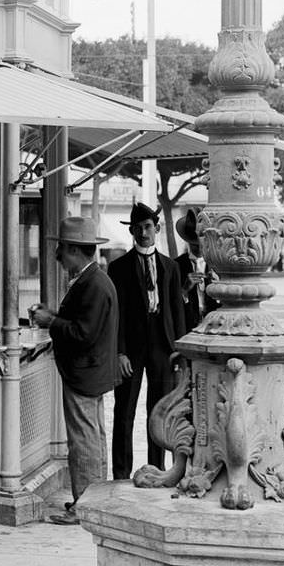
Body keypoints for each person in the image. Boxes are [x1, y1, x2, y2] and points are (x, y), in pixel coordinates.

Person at [30, 217, 118, 525]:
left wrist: (50, 321)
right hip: (91, 371)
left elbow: (83, 334)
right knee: (93, 437)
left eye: (61, 249)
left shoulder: (91, 284)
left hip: (84, 372)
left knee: (83, 441)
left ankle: (85, 504)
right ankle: (96, 500)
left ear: (75, 250)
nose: (57, 255)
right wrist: (53, 316)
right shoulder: (94, 279)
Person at [107, 201, 185, 480]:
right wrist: (119, 353)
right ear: (132, 232)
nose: (143, 233)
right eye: (137, 228)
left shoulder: (170, 267)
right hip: (131, 349)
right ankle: (120, 475)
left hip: (163, 348)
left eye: (147, 227)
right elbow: (115, 316)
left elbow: (177, 312)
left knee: (160, 411)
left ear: (157, 228)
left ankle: (156, 470)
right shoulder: (118, 268)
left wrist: (179, 352)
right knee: (124, 411)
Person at [175, 208, 217, 331]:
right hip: (187, 325)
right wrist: (184, 290)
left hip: (212, 325)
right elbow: (171, 304)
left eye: (201, 244)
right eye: (194, 244)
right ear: (187, 241)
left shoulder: (216, 265)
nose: (198, 248)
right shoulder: (175, 265)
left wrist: (218, 287)